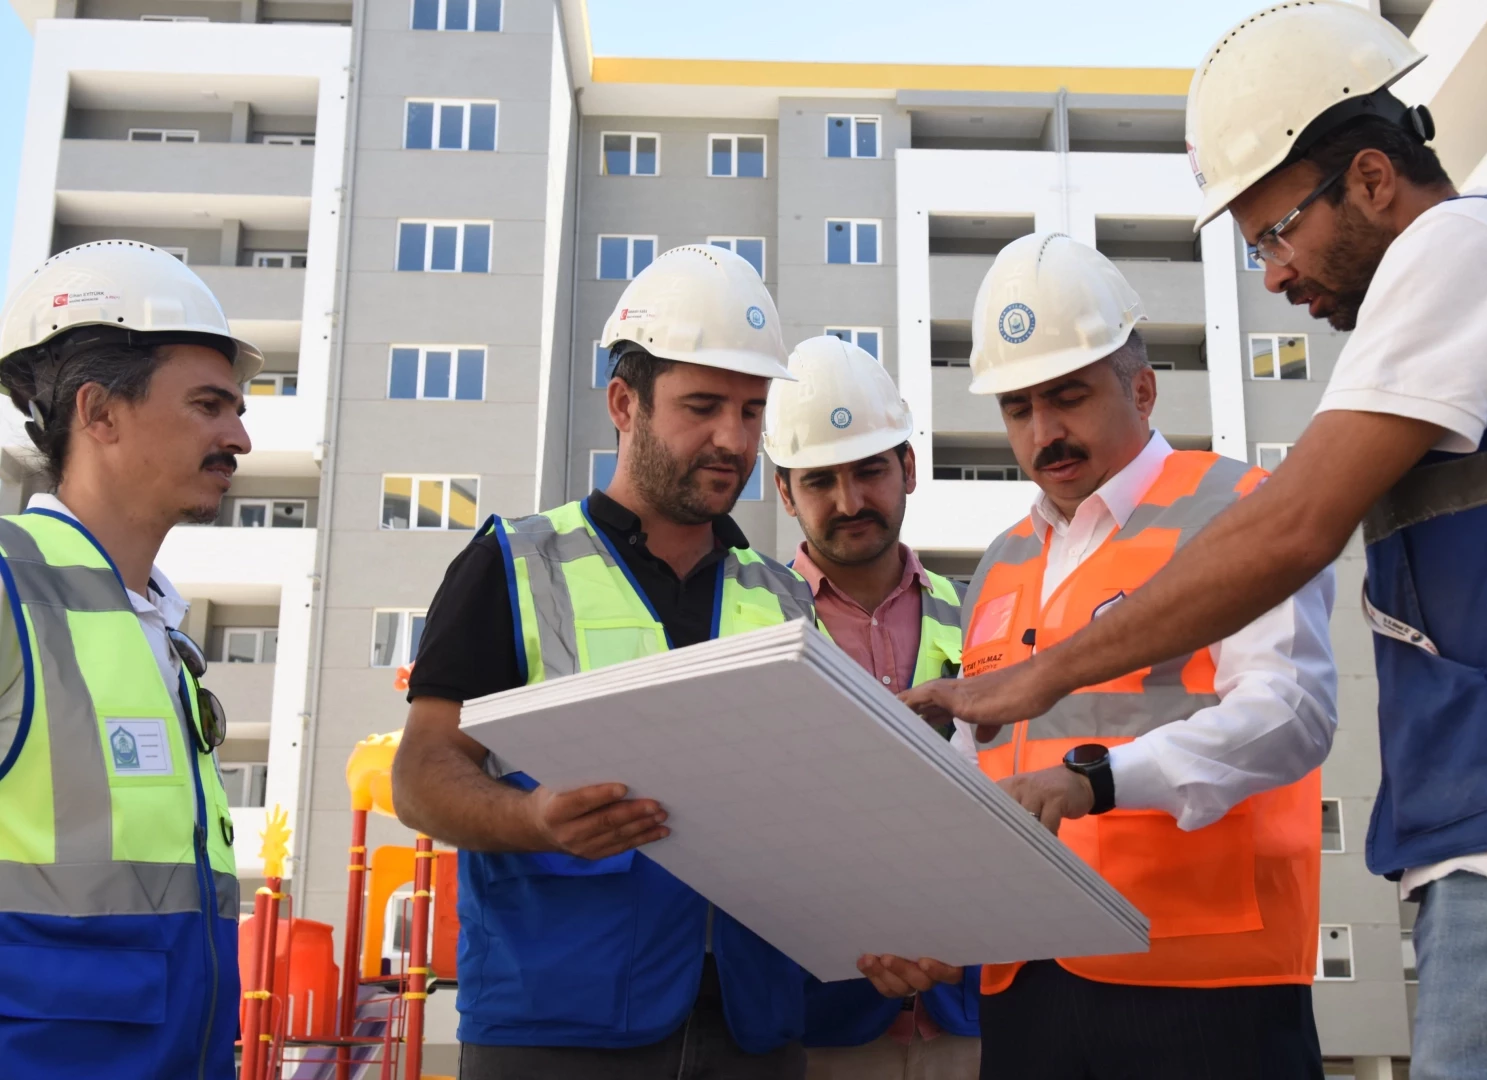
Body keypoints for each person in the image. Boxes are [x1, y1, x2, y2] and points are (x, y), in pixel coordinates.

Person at [901, 3, 1487, 1078]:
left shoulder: (1462, 244)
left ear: (1373, 180)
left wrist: (1040, 680)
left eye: (1274, 233)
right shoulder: (1006, 556)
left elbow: (1291, 531)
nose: (1274, 276)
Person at [883, 232, 1338, 1080]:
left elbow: (1290, 711)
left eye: (1068, 397)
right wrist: (926, 912)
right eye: (1017, 409)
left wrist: (1097, 782)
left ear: (1142, 387)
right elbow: (980, 765)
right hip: (1026, 983)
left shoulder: (1239, 506)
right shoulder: (1000, 561)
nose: (1043, 431)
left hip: (1204, 984)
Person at [392, 245, 821, 1080]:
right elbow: (421, 772)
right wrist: (533, 821)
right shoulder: (515, 564)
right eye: (702, 406)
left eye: (751, 411)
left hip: (753, 1022)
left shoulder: (785, 600)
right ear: (624, 402)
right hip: (556, 1022)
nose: (731, 439)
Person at [0, 240, 258, 1078]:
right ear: (100, 413)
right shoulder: (9, 588)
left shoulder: (159, 631)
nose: (241, 437)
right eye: (211, 405)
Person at [763, 335, 980, 1080]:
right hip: (812, 1013)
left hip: (970, 1002)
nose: (849, 501)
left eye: (869, 470)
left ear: (908, 468)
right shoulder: (746, 627)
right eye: (819, 480)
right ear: (784, 492)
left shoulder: (981, 617)